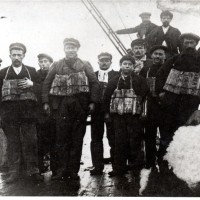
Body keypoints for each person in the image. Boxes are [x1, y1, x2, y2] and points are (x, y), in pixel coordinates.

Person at [42, 38, 100, 180]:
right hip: (61, 106)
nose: (70, 50)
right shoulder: (56, 65)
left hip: (79, 106)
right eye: (68, 47)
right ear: (64, 49)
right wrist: (45, 102)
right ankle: (61, 170)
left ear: (77, 49)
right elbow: (46, 84)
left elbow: (94, 83)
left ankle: (73, 171)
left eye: (73, 47)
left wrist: (92, 102)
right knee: (61, 139)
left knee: (77, 139)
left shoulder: (85, 65)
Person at [155, 33, 200, 171]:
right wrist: (161, 93)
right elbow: (160, 75)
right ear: (181, 45)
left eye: (192, 43)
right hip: (170, 104)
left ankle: (182, 164)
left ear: (196, 45)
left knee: (185, 133)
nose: (189, 46)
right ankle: (162, 161)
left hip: (190, 105)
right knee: (166, 132)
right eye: (186, 43)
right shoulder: (173, 60)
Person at [0, 43, 42, 183]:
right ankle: (14, 172)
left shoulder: (31, 71)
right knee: (13, 143)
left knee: (30, 142)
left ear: (23, 55)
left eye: (19, 54)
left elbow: (41, 90)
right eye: (14, 55)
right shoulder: (2, 73)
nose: (16, 57)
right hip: (9, 115)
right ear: (10, 56)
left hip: (28, 114)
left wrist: (32, 85)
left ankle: (33, 170)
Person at [103, 55, 149, 177]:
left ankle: (135, 168)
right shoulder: (113, 81)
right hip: (118, 117)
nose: (127, 66)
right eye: (124, 64)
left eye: (129, 64)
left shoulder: (139, 80)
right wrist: (107, 114)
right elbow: (106, 98)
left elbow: (145, 97)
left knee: (135, 141)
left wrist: (143, 114)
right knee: (118, 142)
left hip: (134, 117)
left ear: (133, 66)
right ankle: (119, 169)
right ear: (120, 65)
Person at [90, 52, 119, 175]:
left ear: (111, 62)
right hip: (96, 112)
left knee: (114, 138)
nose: (104, 62)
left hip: (112, 111)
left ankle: (116, 167)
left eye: (107, 60)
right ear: (98, 62)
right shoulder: (93, 76)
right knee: (96, 138)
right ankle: (97, 167)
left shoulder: (117, 75)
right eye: (102, 60)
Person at [140, 45, 167, 169]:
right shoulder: (145, 70)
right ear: (151, 55)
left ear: (164, 56)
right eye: (155, 53)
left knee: (165, 135)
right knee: (149, 135)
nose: (158, 56)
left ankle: (162, 160)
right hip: (150, 107)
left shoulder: (169, 69)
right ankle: (150, 161)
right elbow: (139, 87)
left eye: (161, 54)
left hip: (164, 107)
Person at [36, 53, 57, 176]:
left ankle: (55, 167)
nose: (43, 64)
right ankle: (40, 167)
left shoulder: (55, 74)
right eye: (41, 62)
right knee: (40, 140)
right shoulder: (36, 75)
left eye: (45, 61)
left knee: (55, 139)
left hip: (54, 111)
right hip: (40, 113)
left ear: (50, 63)